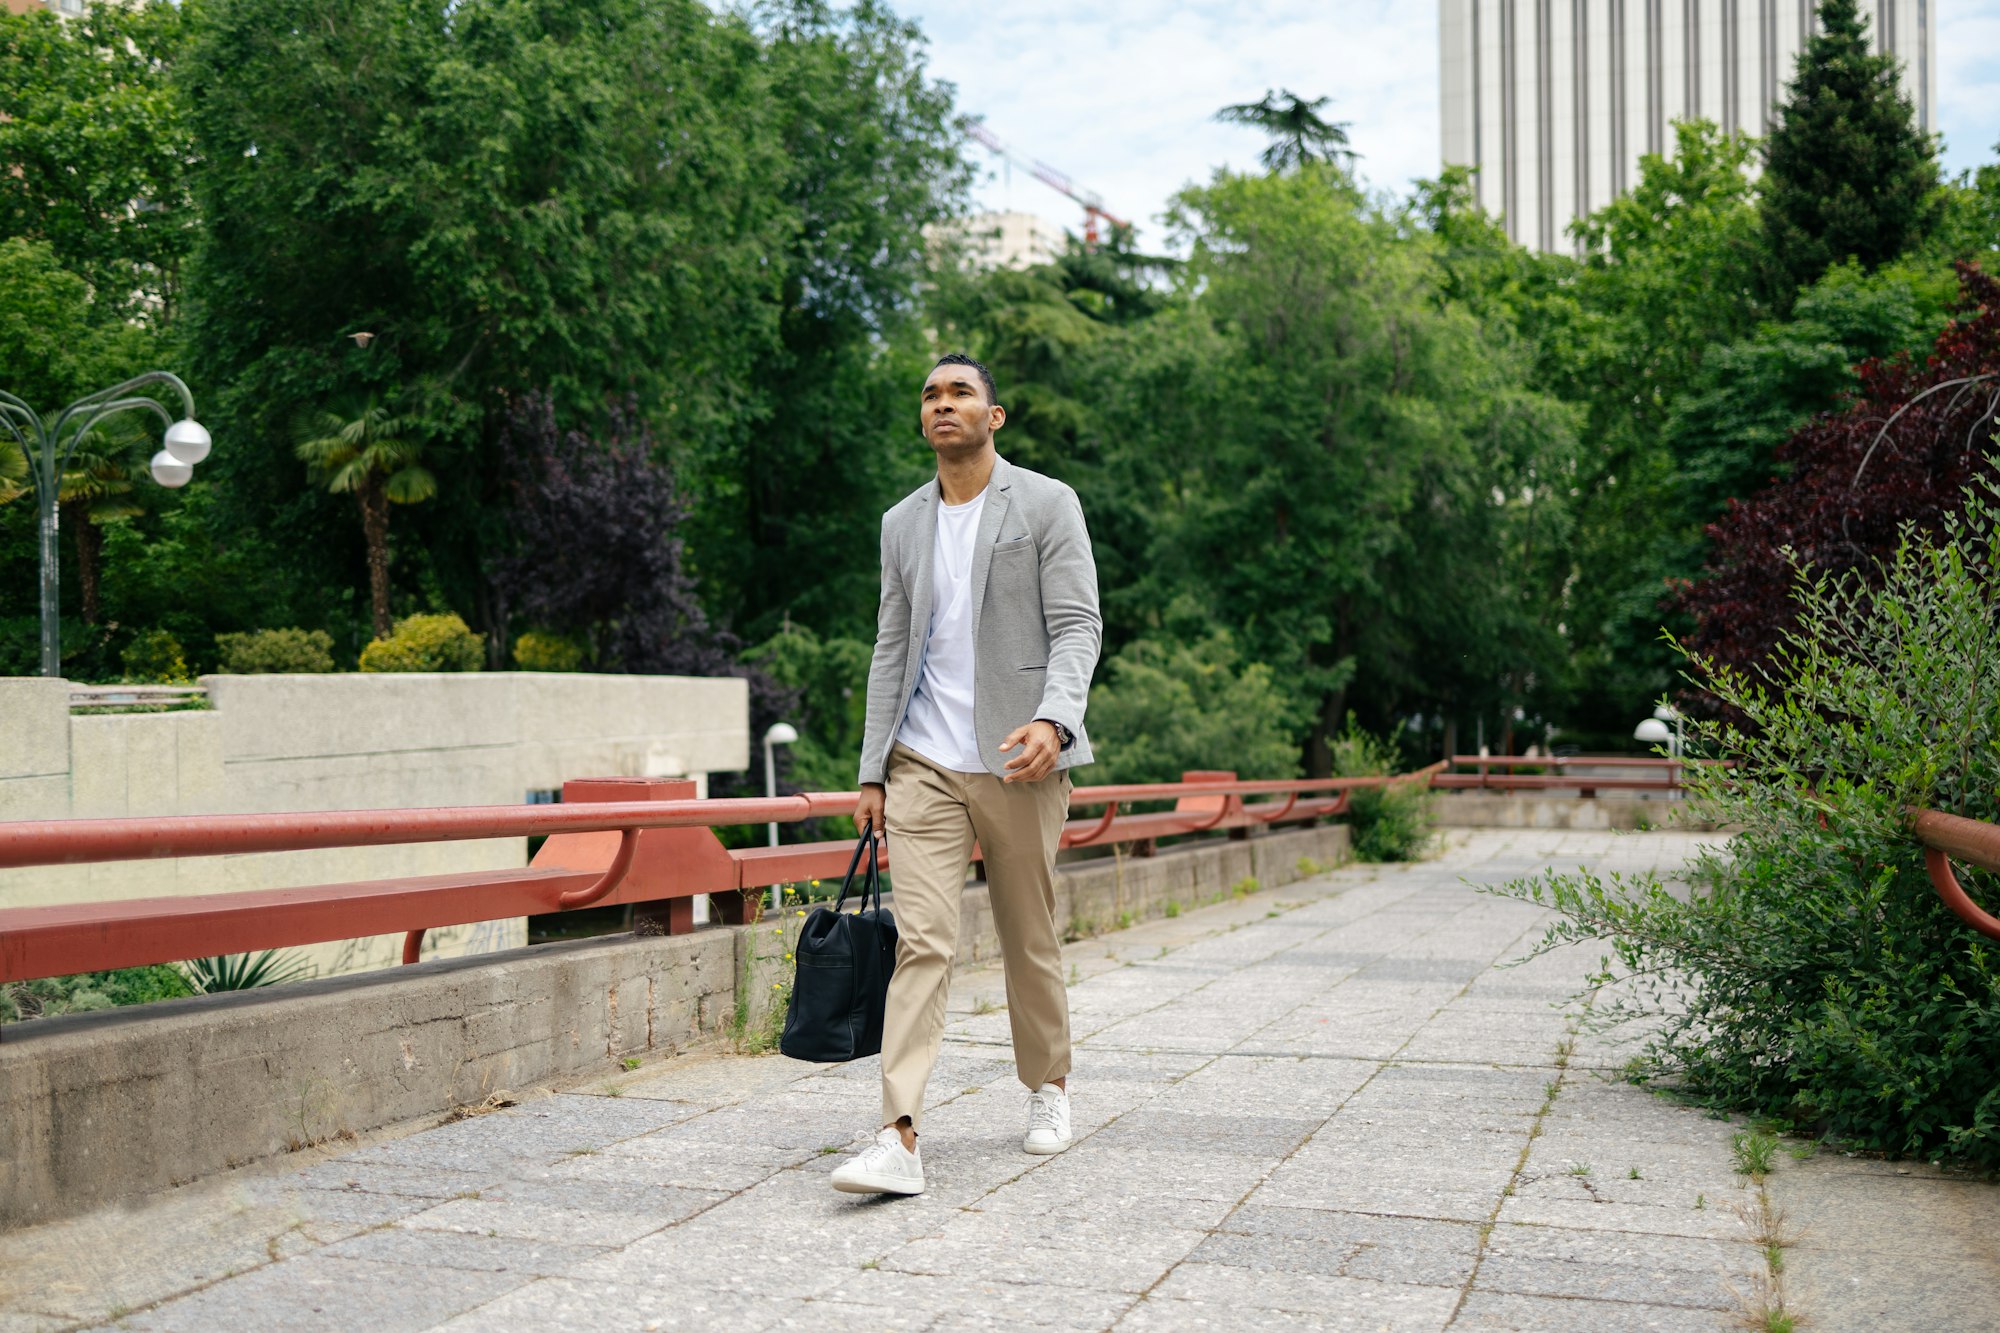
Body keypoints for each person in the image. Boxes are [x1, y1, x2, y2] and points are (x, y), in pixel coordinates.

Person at [829, 353, 1101, 1196]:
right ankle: (897, 1132)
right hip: (922, 763)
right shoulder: (900, 522)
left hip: (1019, 756)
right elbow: (889, 646)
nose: (943, 404)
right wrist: (872, 767)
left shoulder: (1048, 502)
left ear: (995, 416)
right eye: (931, 395)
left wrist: (1056, 719)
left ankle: (1049, 1085)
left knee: (1029, 933)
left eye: (960, 393)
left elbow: (1079, 625)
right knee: (923, 942)